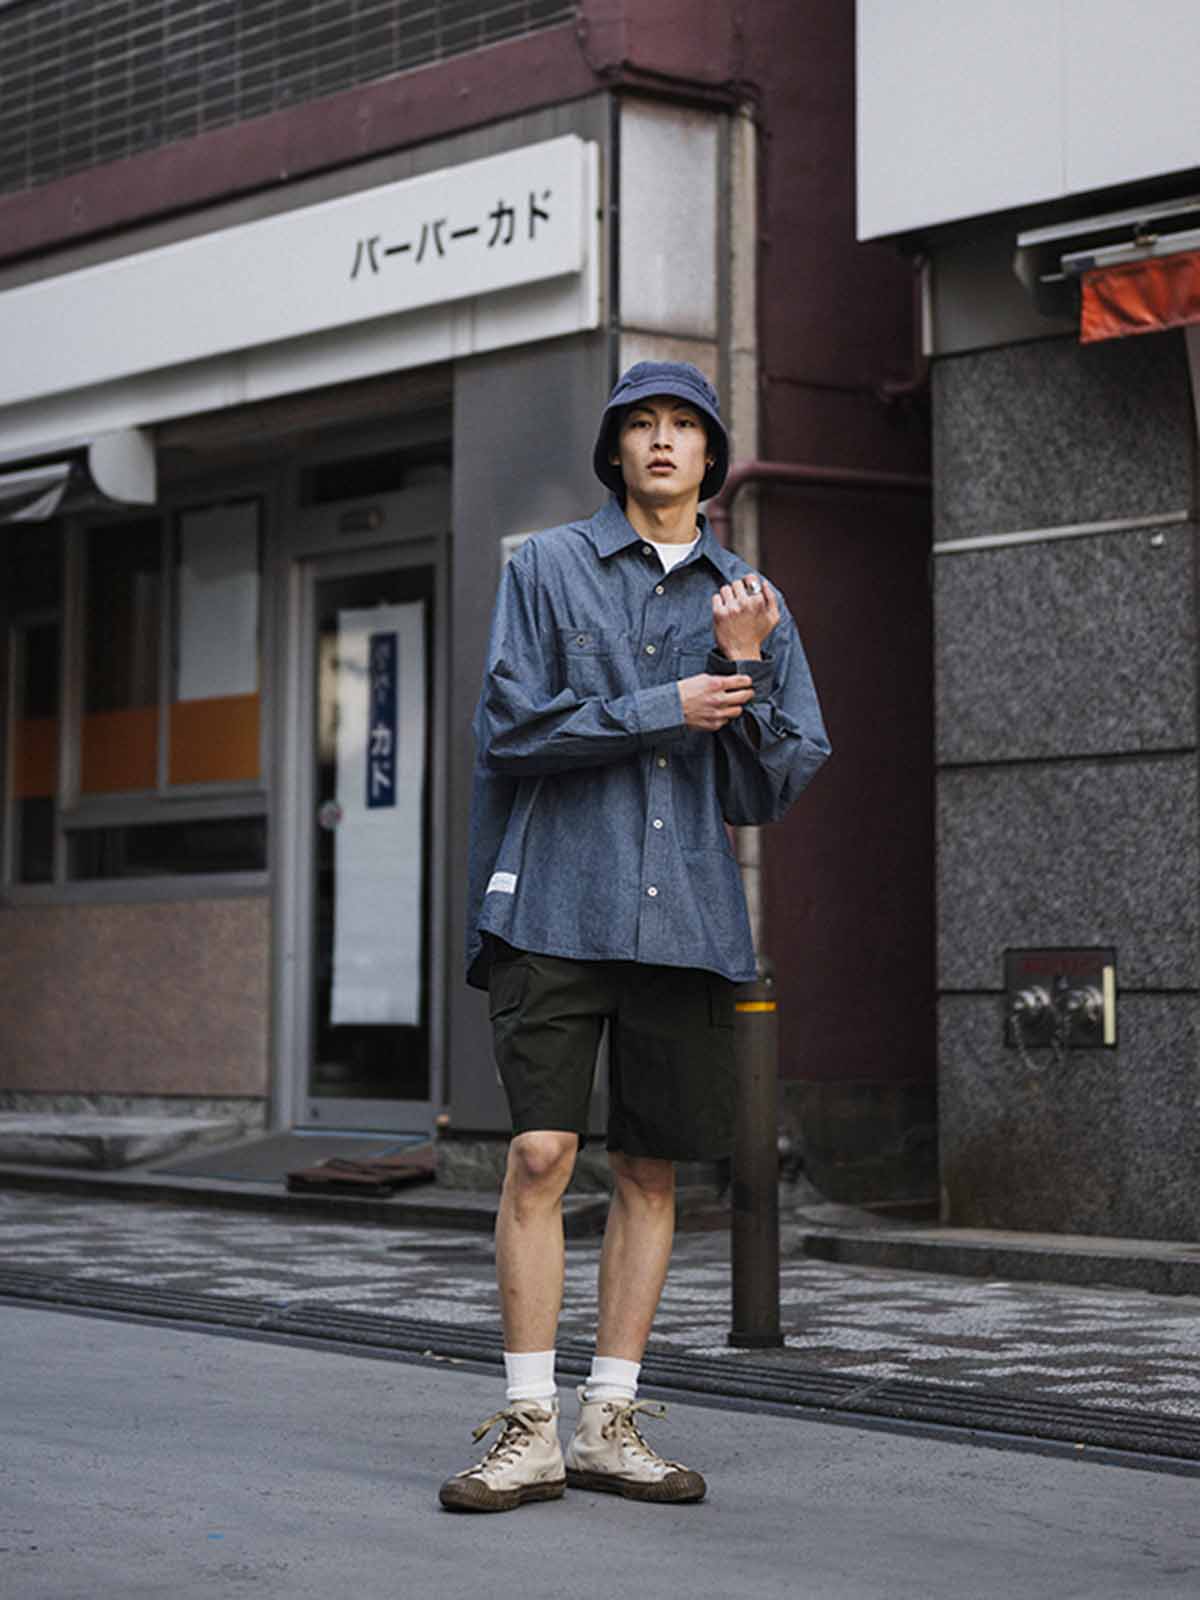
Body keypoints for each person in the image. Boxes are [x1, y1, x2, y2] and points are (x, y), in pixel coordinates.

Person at [439, 360, 830, 1513]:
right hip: (556, 902)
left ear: (711, 456)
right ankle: (528, 1426)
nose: (663, 441)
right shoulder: (548, 567)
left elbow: (768, 785)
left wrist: (741, 669)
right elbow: (510, 730)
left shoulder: (751, 599)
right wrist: (668, 704)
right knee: (541, 1153)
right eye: (642, 424)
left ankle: (608, 1420)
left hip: (685, 918)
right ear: (615, 450)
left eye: (684, 426)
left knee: (652, 1166)